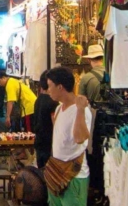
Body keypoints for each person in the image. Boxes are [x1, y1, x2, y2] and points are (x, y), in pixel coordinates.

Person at [46, 67, 92, 206]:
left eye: (49, 86)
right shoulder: (59, 108)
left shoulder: (82, 111)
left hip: (74, 176)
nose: (48, 90)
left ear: (60, 87)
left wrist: (80, 109)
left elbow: (80, 138)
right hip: (56, 173)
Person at [32, 70, 57, 168]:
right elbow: (55, 127)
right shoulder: (53, 103)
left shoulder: (39, 99)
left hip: (39, 142)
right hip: (48, 144)